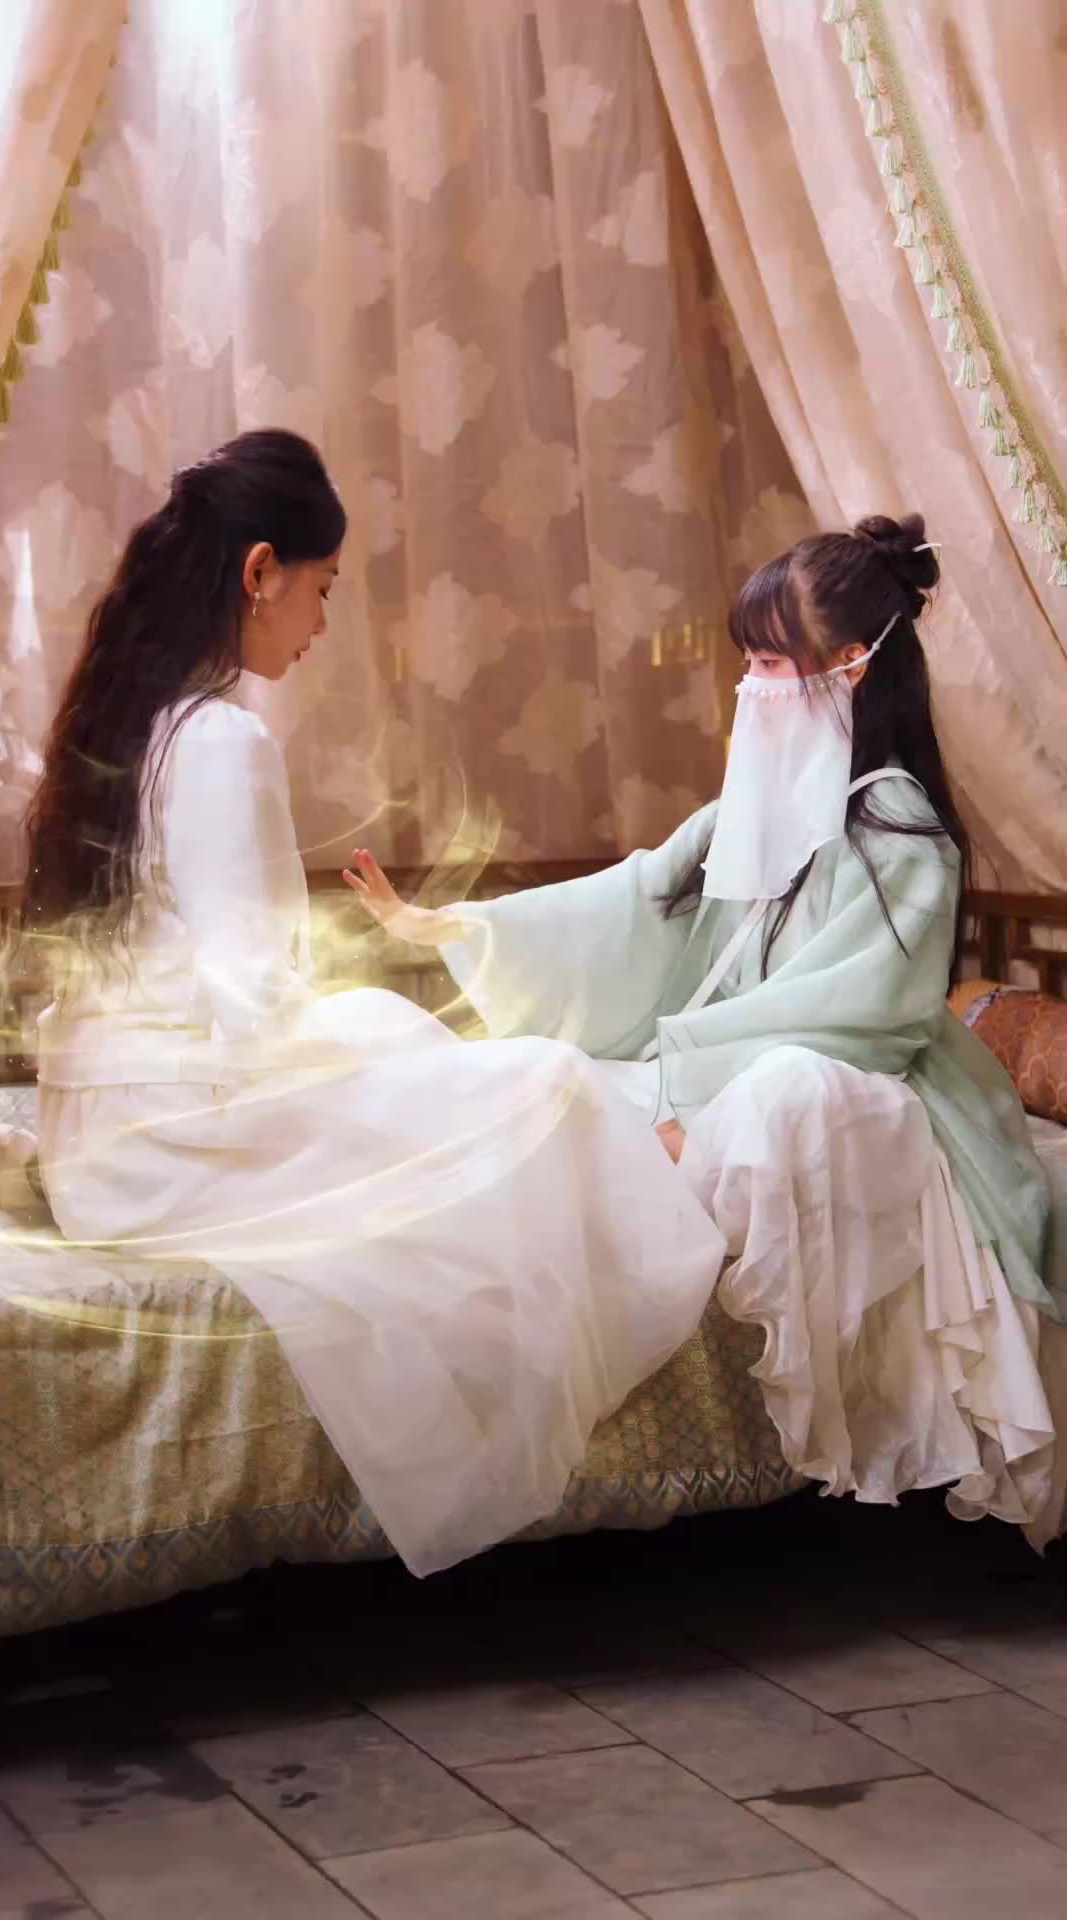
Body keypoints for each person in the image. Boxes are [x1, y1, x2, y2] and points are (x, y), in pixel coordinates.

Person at [19, 429, 726, 1578]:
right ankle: (665, 1163)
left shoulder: (134, 723)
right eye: (323, 589)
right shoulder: (222, 739)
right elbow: (255, 1006)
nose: (322, 623)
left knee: (416, 1047)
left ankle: (627, 1133)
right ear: (260, 572)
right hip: (170, 1149)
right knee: (537, 1086)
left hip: (102, 1145)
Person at [348, 515, 1060, 1537]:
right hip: (740, 1060)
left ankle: (659, 1156)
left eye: (769, 662)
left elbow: (871, 1008)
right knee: (541, 1078)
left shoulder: (901, 828)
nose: (749, 685)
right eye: (750, 661)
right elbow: (640, 898)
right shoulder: (763, 800)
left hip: (877, 1079)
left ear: (852, 664)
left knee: (789, 1092)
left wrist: (702, 1061)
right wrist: (452, 927)